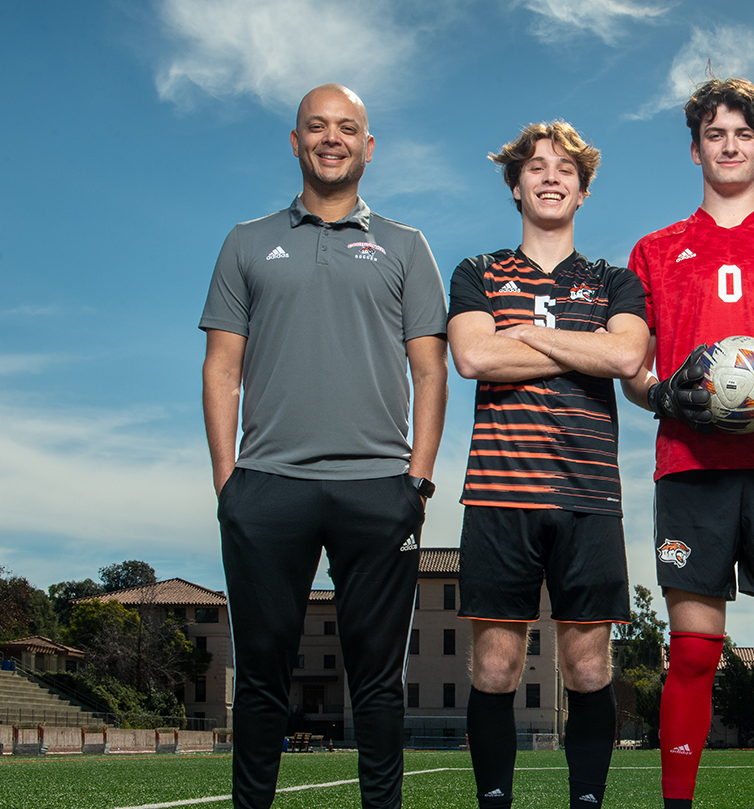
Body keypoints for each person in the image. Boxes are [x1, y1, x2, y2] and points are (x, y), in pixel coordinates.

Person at [200, 83, 448, 809]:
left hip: (379, 489)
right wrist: (229, 483)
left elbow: (430, 368)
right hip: (266, 486)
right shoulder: (246, 240)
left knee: (377, 678)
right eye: (317, 126)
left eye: (347, 128)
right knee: (262, 675)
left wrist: (418, 482)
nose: (331, 138)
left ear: (368, 146)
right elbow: (221, 367)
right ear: (296, 141)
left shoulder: (406, 245)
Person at [622, 77, 754, 809]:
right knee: (690, 652)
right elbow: (633, 369)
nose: (729, 145)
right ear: (695, 150)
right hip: (691, 466)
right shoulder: (655, 250)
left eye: (743, 134)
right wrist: (660, 393)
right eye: (715, 134)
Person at [446, 121, 648, 809]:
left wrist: (523, 334)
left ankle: (586, 802)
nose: (551, 176)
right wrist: (577, 343)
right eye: (536, 166)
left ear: (584, 190)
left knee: (589, 667)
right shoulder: (478, 271)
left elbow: (626, 359)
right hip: (501, 493)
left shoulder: (615, 279)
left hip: (588, 495)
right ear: (515, 184)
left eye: (566, 168)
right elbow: (474, 357)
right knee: (496, 667)